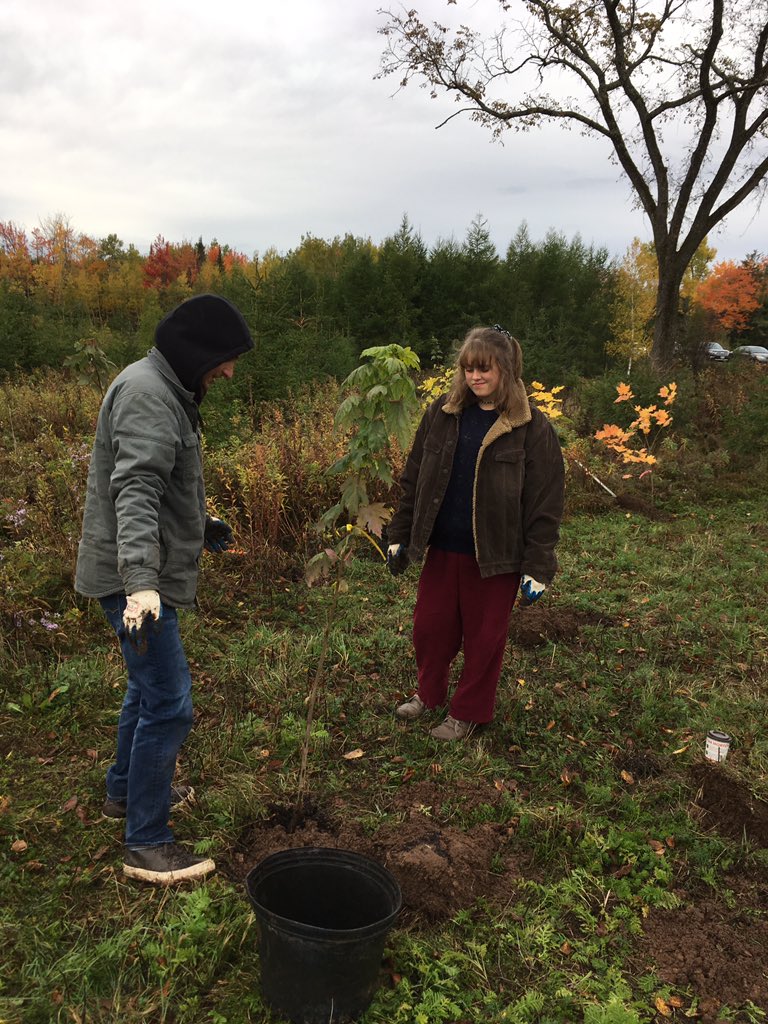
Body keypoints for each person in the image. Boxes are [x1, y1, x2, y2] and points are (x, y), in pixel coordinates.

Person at [75, 294, 254, 884]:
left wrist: (201, 525)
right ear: (198, 351)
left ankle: (125, 793)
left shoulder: (167, 388)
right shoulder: (150, 394)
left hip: (139, 573)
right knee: (170, 704)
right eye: (225, 358)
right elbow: (135, 493)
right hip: (134, 583)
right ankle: (146, 843)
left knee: (145, 691)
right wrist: (142, 587)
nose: (229, 371)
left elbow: (164, 483)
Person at [386, 325, 564, 741]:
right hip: (443, 548)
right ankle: (428, 696)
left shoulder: (532, 428)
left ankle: (466, 713)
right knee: (430, 629)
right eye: (468, 368)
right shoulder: (442, 414)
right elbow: (414, 478)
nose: (474, 377)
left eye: (483, 368)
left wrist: (538, 564)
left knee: (484, 641)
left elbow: (546, 504)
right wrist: (400, 531)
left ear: (506, 369)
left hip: (496, 558)